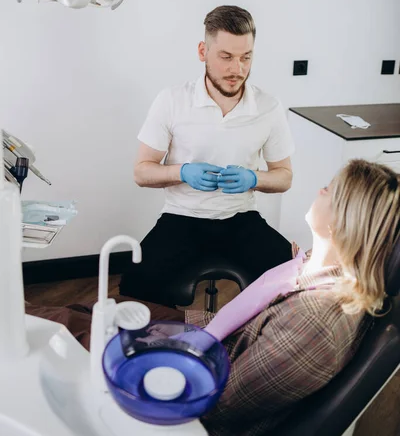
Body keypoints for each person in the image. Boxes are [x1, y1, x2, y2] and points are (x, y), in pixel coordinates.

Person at [27, 159, 400, 435]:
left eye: (330, 190)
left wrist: (152, 347)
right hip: (213, 340)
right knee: (103, 308)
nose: (321, 190)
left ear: (345, 223)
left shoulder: (315, 324)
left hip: (195, 384)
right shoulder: (307, 268)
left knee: (60, 324)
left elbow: (217, 406)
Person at [119, 5, 295, 305]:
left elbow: (284, 177)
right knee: (137, 284)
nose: (237, 69)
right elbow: (141, 172)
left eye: (246, 57)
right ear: (203, 51)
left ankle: (255, 345)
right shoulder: (172, 100)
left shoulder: (269, 107)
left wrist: (254, 178)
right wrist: (181, 171)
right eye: (226, 57)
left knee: (291, 279)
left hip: (241, 218)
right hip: (183, 217)